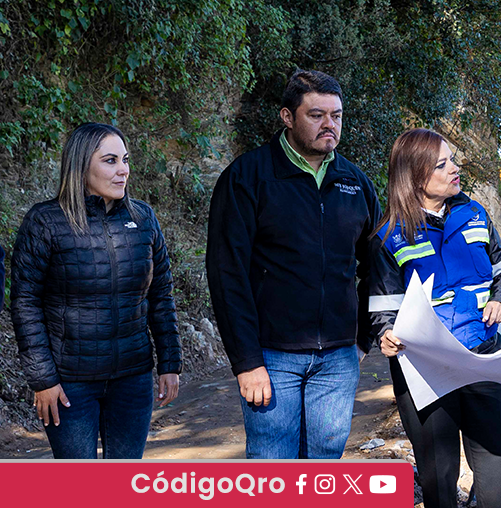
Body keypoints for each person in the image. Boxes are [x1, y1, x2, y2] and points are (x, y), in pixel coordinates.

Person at [207, 70, 381, 459]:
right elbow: (227, 273)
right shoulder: (247, 177)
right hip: (271, 356)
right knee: (273, 471)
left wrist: (362, 339)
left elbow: (377, 267)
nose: (329, 124)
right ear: (287, 117)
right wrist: (246, 361)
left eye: (336, 115)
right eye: (316, 115)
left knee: (324, 471)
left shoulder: (355, 183)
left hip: (338, 358)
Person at [366, 128, 501, 508]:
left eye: (452, 160)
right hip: (424, 370)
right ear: (416, 176)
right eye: (442, 164)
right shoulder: (389, 235)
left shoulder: (475, 214)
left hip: (481, 355)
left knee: (495, 470)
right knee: (438, 475)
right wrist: (386, 332)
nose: (454, 169)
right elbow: (383, 305)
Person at [10, 122, 181, 458]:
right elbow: (25, 304)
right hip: (70, 385)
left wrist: (170, 363)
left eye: (125, 160)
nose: (123, 170)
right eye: (110, 161)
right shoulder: (45, 221)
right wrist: (43, 380)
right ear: (81, 165)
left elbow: (161, 294)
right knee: (79, 484)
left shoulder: (143, 218)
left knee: (123, 482)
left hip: (132, 379)